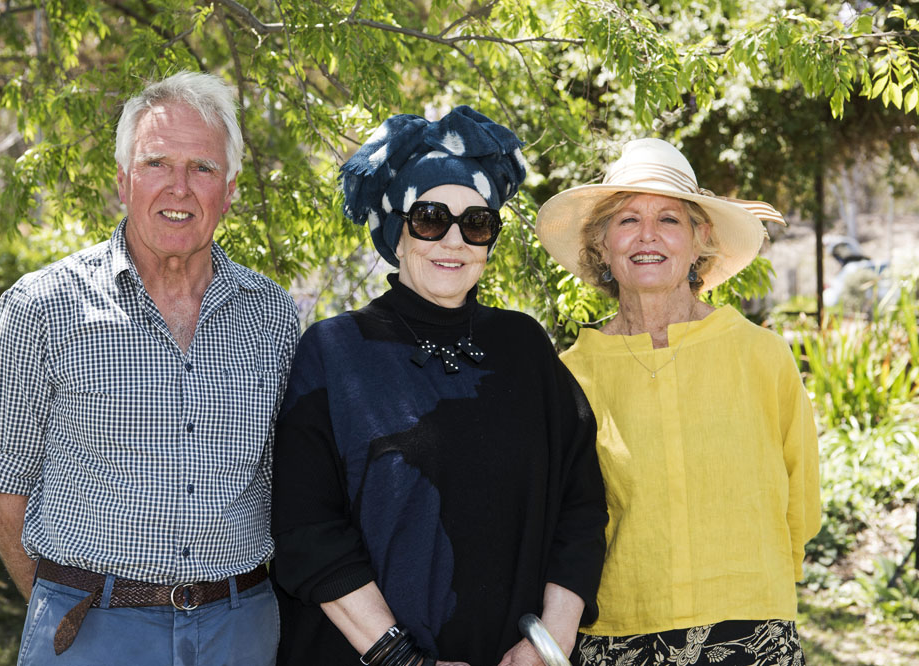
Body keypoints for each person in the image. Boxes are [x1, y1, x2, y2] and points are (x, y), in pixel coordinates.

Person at [0, 71, 299, 665]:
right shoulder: (42, 306)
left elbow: (291, 480)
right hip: (92, 629)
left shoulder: (273, 316)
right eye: (156, 164)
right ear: (122, 181)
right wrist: (58, 602)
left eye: (203, 168)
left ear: (231, 189)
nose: (179, 188)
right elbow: (2, 489)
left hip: (240, 630)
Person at [271, 106, 608, 666]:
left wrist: (551, 642)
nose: (452, 241)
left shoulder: (523, 347)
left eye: (476, 223)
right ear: (395, 234)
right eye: (429, 218)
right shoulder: (334, 352)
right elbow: (307, 531)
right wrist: (401, 660)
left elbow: (582, 504)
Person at [535, 138, 821, 665]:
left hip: (751, 629)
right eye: (626, 221)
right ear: (601, 245)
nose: (647, 236)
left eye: (668, 218)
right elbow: (556, 522)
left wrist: (766, 596)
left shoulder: (763, 355)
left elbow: (800, 502)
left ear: (700, 239)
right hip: (615, 634)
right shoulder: (569, 375)